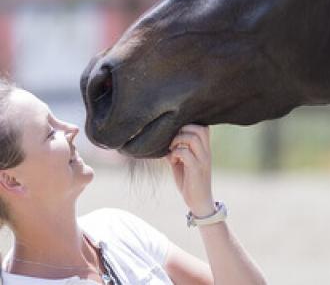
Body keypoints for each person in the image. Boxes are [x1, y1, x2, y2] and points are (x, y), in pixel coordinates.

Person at [0, 76, 267, 284]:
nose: (71, 129)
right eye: (50, 133)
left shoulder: (116, 228)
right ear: (11, 180)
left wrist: (204, 209)